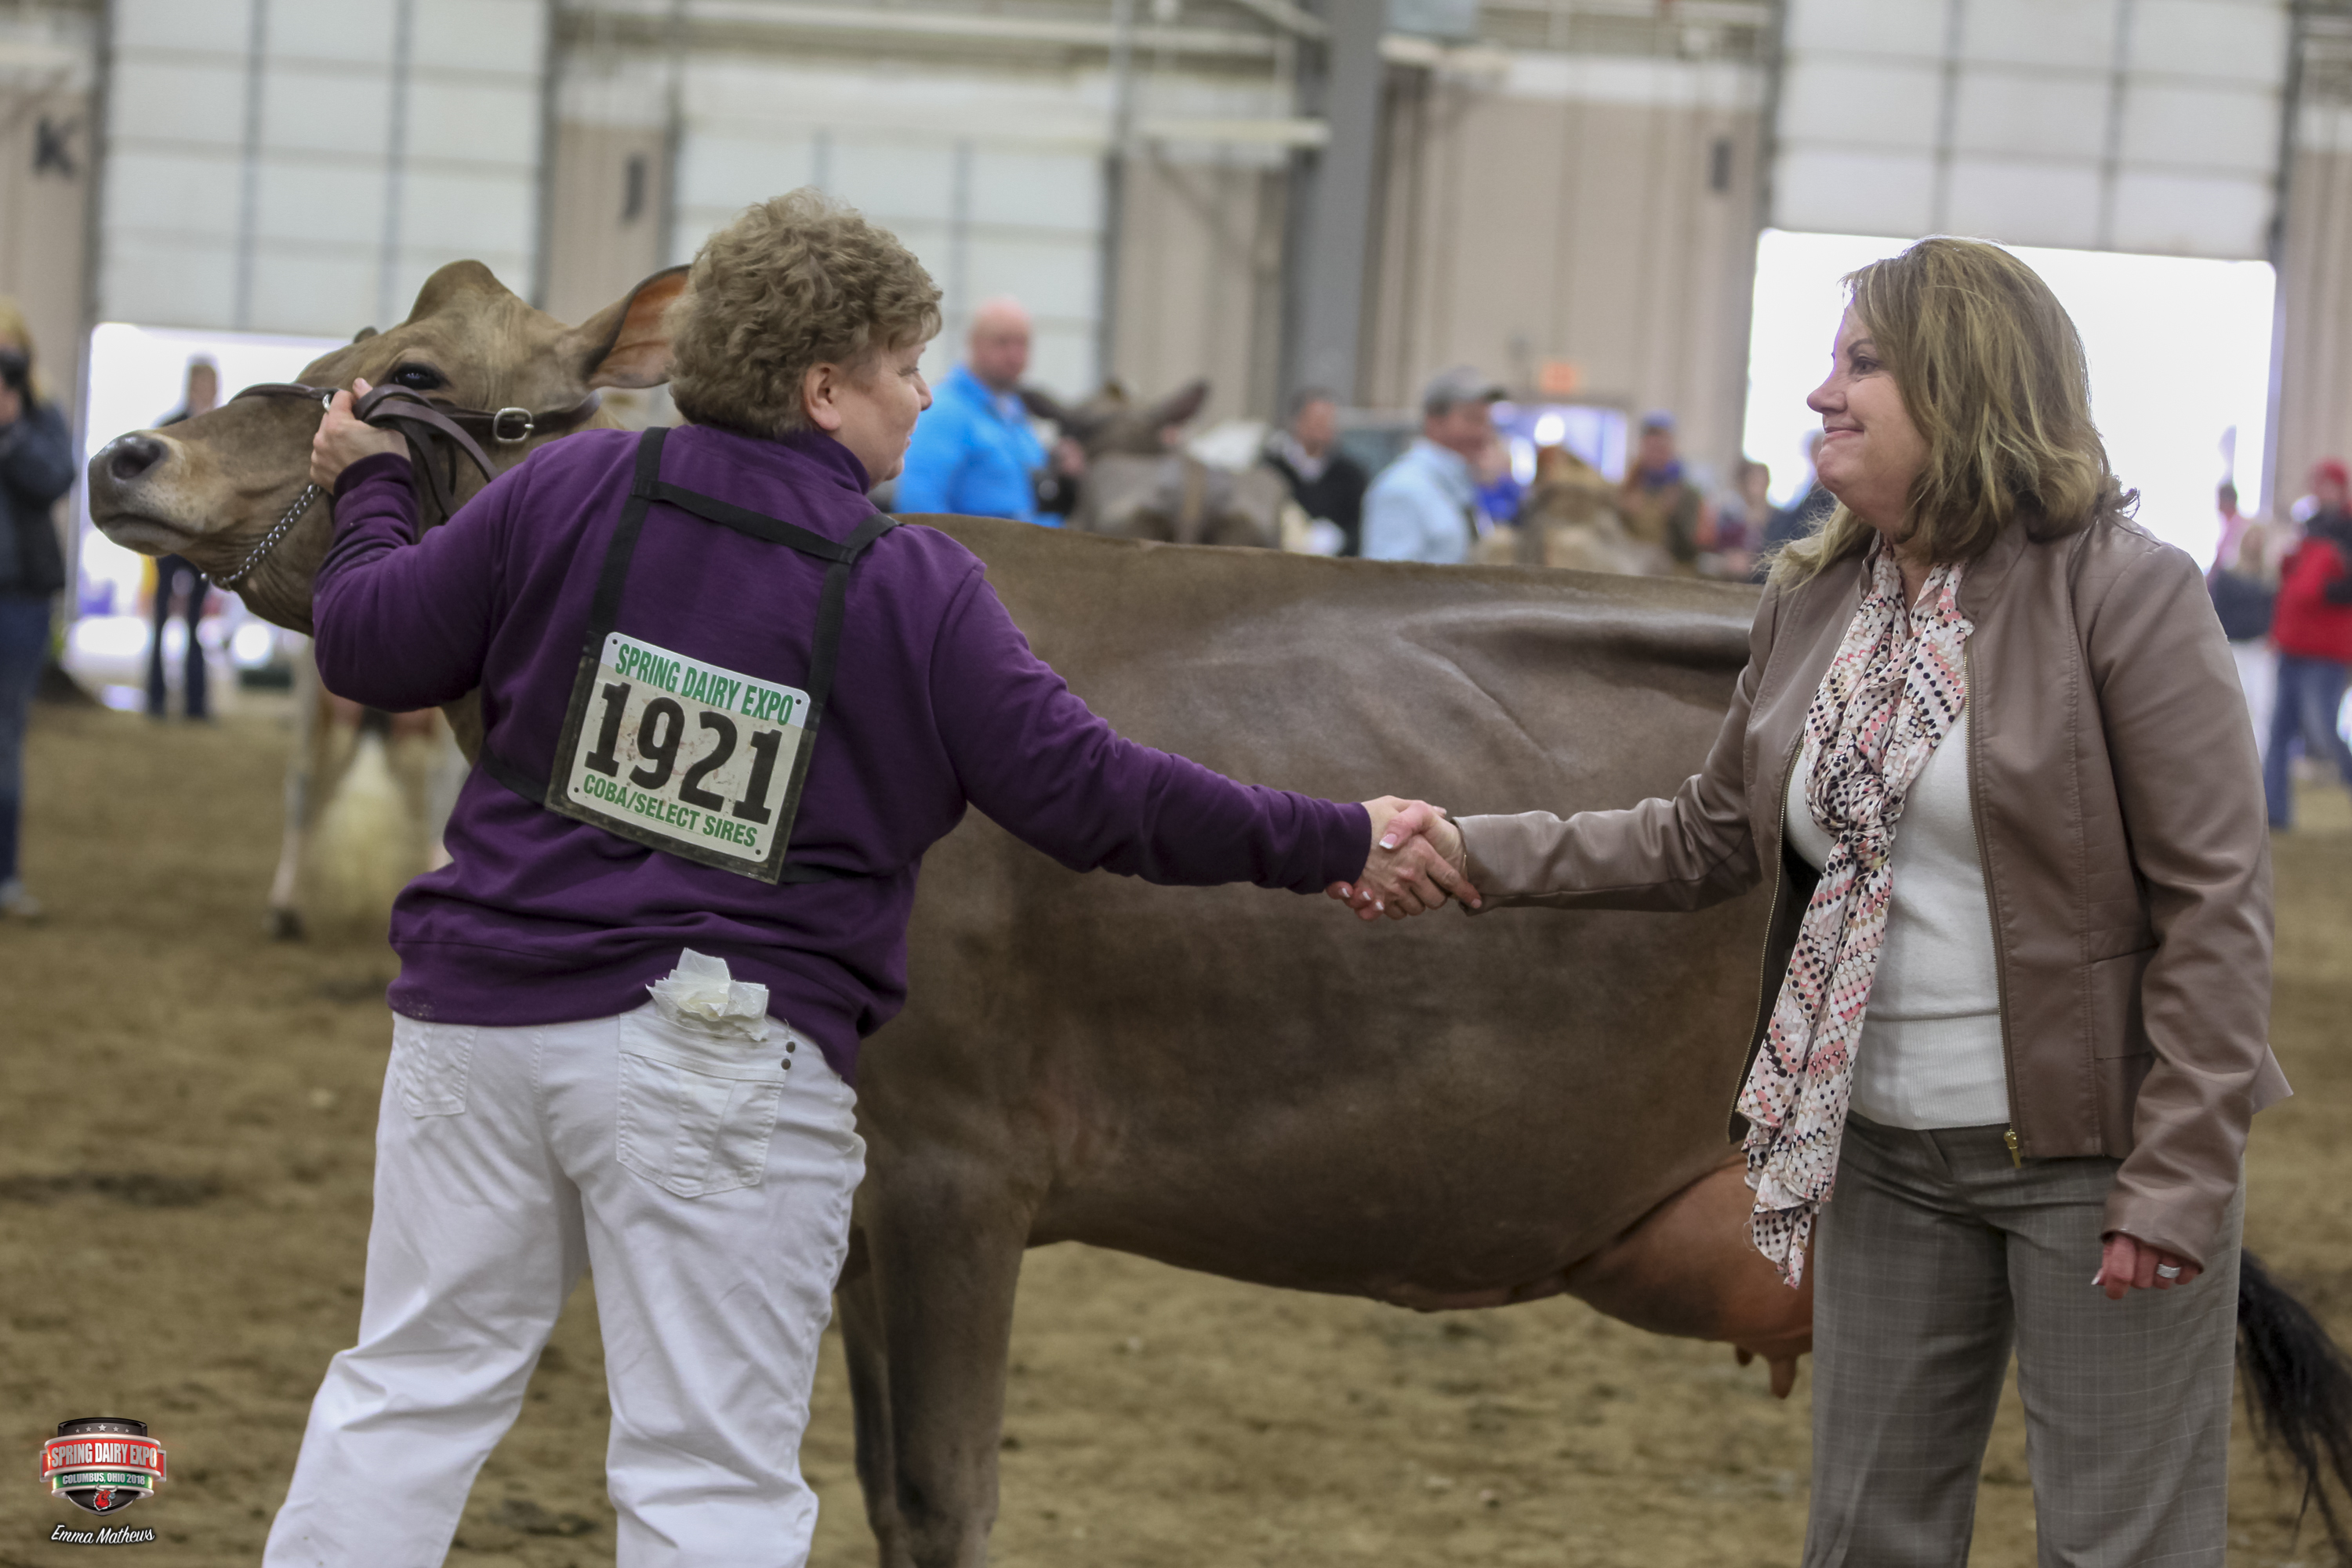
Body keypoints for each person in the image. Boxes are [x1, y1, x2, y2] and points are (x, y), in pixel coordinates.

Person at [264, 190, 1434, 1567]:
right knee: (705, 1475)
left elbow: (373, 645)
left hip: (479, 1027)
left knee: (408, 1394)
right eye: (903, 366)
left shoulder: (572, 490)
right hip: (716, 1052)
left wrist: (372, 486)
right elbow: (1096, 796)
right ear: (824, 391)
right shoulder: (908, 586)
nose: (924, 396)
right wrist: (1338, 837)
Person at [1345, 238, 2286, 1565]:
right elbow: (1703, 834)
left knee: (2117, 1547)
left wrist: (2179, 1175)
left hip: (2097, 1157)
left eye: (1863, 365)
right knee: (1864, 1540)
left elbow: (2216, 907)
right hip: (1883, 1149)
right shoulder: (1818, 600)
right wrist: (1469, 848)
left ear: (1965, 385)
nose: (1821, 394)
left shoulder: (2127, 594)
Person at [0, 300, 78, 922]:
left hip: (20, 600)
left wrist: (11, 432)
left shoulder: (39, 414)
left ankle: (5, 877)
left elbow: (56, 478)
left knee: (5, 739)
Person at [892, 296, 1050, 522]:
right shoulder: (944, 411)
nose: (1015, 356)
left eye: (1022, 343)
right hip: (975, 543)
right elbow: (919, 504)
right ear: (974, 343)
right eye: (1002, 342)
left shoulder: (1014, 410)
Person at [2264, 459, 2352, 827]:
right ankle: (2273, 813)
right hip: (2293, 643)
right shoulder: (2306, 528)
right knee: (2279, 733)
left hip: (2326, 651)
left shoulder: (2346, 530)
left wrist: (2316, 589)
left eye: (2328, 484)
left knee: (2322, 733)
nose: (2321, 490)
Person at [1360, 367, 1501, 564]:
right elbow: (1385, 579)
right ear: (1435, 421)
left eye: (1486, 422)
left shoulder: (1456, 486)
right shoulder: (1403, 489)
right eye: (1472, 420)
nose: (1483, 433)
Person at [147, 358, 220, 720]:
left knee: (196, 623)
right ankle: (155, 700)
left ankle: (196, 704)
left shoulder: (221, 432)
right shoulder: (169, 428)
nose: (208, 392)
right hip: (168, 541)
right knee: (161, 619)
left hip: (201, 544)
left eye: (212, 385)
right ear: (192, 386)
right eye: (203, 384)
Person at [2205, 478, 2277, 756]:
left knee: (2260, 707)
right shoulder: (2226, 575)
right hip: (2232, 646)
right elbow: (2216, 609)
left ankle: (2256, 762)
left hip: (2259, 649)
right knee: (2233, 704)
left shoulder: (2270, 580)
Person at [1263, 387, 1369, 557]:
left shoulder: (1350, 475)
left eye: (1329, 420)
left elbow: (1360, 527)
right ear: (1297, 421)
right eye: (1317, 420)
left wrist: (1340, 541)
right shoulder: (1272, 470)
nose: (1324, 426)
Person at [1617, 411, 1713, 575]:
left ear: (1670, 448)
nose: (1655, 454)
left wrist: (1675, 516)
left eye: (1660, 448)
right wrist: (1623, 511)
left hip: (1672, 577)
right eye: (1650, 448)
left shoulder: (1688, 493)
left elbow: (1694, 550)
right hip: (1633, 572)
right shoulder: (1629, 487)